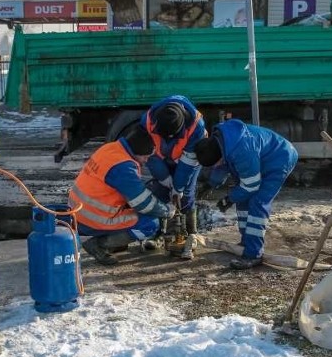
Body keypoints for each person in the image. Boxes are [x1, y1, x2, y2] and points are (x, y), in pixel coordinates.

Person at [194, 119, 298, 270]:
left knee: (257, 201)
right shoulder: (221, 142)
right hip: (260, 158)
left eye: (215, 164)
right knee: (243, 201)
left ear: (220, 157)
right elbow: (223, 166)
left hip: (280, 159)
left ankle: (254, 254)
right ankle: (246, 242)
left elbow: (251, 185)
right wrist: (212, 183)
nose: (216, 166)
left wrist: (229, 198)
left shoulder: (242, 151)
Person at [69, 125, 170, 265]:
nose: (146, 161)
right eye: (146, 157)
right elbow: (143, 203)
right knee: (149, 224)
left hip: (78, 210)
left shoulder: (111, 148)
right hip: (93, 218)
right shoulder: (124, 167)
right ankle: (99, 244)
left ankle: (115, 240)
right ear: (137, 153)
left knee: (138, 206)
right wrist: (166, 211)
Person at [140, 95, 207, 247]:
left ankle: (191, 233)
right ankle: (159, 234)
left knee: (186, 195)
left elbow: (189, 162)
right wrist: (163, 177)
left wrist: (178, 187)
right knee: (159, 190)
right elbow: (149, 154)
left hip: (190, 159)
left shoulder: (197, 127)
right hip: (161, 159)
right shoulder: (147, 122)